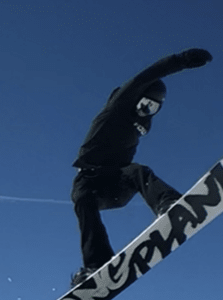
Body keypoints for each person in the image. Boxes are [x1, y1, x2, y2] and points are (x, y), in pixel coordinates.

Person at [69, 48, 214, 286]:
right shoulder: (118, 107)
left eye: (153, 108)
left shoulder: (141, 125)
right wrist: (181, 61)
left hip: (116, 184)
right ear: (135, 98)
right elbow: (145, 77)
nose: (145, 112)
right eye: (145, 104)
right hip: (90, 181)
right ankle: (96, 264)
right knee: (83, 201)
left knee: (138, 171)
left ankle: (169, 204)